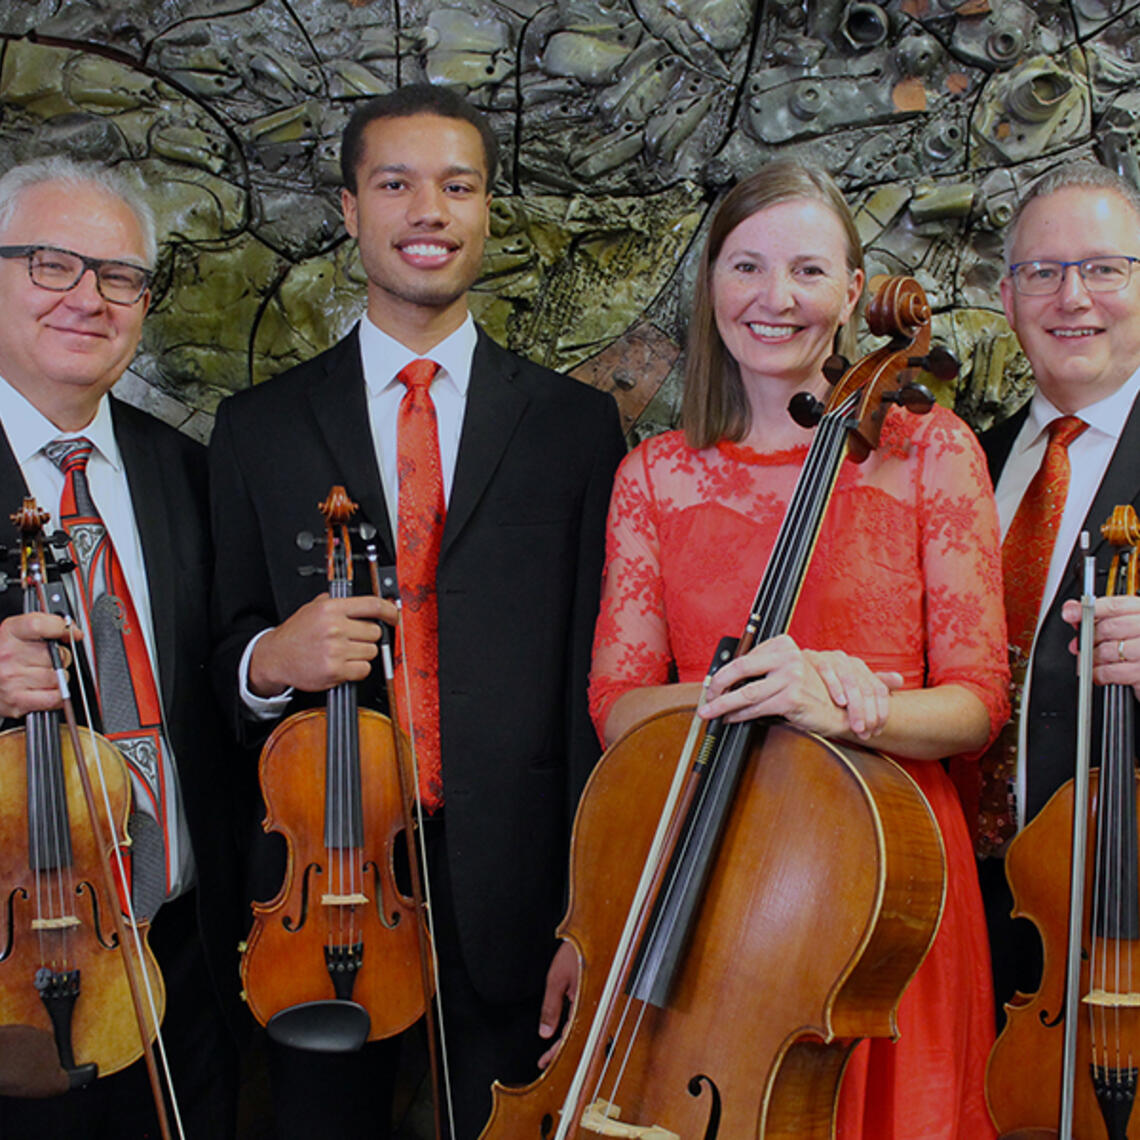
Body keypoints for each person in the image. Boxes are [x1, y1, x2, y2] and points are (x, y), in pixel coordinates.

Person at [207, 84, 625, 1139]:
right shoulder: (257, 427)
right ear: (351, 210)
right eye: (395, 184)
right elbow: (214, 648)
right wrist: (270, 659)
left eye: (457, 186)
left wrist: (591, 906)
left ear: (488, 212)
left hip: (519, 887)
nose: (427, 211)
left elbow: (596, 680)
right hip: (327, 885)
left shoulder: (577, 430)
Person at [588, 160, 1008, 1139]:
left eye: (809, 271)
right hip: (717, 878)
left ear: (855, 294)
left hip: (891, 882)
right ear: (711, 285)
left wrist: (847, 703)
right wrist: (757, 687)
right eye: (746, 267)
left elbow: (977, 702)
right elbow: (618, 709)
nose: (775, 299)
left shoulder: (932, 450)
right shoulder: (655, 475)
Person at [0, 157, 242, 1138]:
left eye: (121, 276)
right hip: (14, 979)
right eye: (51, 264)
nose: (88, 299)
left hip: (181, 958)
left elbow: (219, 684)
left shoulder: (187, 469)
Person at [971, 162, 1140, 1015]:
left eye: (1105, 269)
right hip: (959, 908)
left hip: (1118, 915)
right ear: (1009, 300)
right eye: (1042, 272)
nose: (1072, 297)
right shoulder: (970, 460)